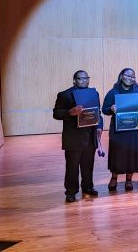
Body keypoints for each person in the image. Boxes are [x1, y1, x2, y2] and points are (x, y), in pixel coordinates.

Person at [53, 70, 103, 203]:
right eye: (81, 79)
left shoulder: (94, 93)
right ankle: (71, 192)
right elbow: (56, 114)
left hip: (89, 136)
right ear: (74, 80)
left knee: (88, 165)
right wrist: (70, 112)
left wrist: (99, 127)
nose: (84, 81)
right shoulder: (65, 95)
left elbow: (98, 112)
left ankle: (87, 187)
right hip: (73, 137)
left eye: (86, 78)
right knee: (72, 166)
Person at [102, 68, 138, 191]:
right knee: (117, 154)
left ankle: (129, 179)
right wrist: (111, 109)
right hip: (119, 131)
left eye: (133, 76)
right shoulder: (113, 92)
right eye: (128, 75)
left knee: (132, 154)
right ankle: (114, 178)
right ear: (121, 76)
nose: (130, 78)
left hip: (136, 129)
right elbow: (104, 109)